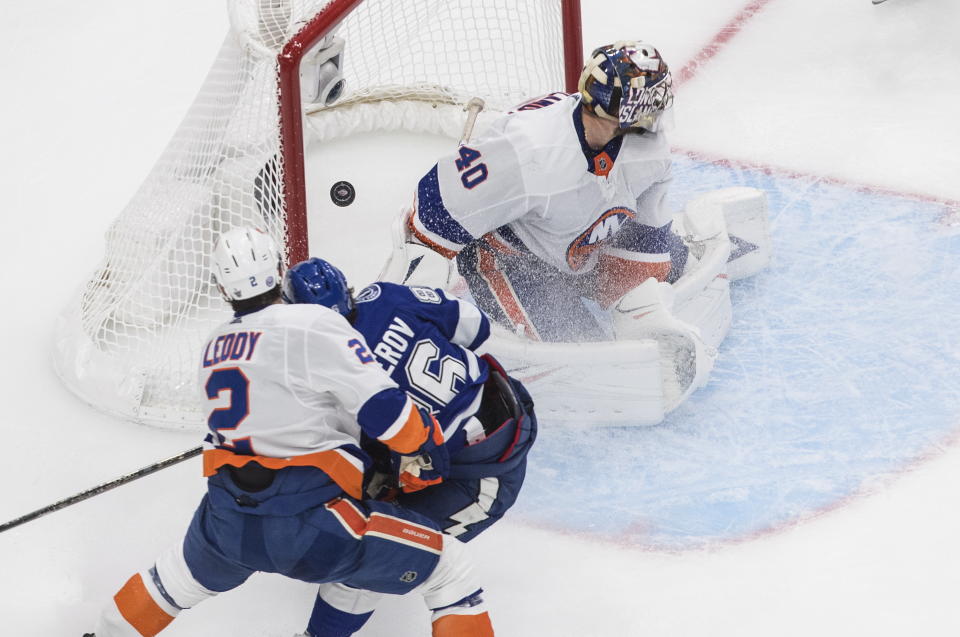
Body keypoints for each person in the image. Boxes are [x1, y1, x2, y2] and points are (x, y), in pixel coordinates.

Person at [85, 227, 494, 637]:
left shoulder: (213, 345)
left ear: (222, 288)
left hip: (227, 520)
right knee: (450, 571)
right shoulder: (312, 323)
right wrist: (422, 445)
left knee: (171, 583)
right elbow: (385, 411)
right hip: (312, 522)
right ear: (278, 270)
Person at [282, 257, 537, 634]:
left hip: (482, 477)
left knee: (366, 554)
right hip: (505, 405)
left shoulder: (334, 378)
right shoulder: (384, 296)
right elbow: (475, 326)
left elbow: (351, 467)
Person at [401, 40, 688, 342]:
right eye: (646, 109)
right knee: (580, 355)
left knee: (676, 267)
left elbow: (645, 233)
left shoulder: (650, 150)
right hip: (513, 259)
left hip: (588, 245)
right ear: (610, 109)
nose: (654, 121)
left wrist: (633, 301)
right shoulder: (528, 150)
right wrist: (411, 303)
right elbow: (437, 209)